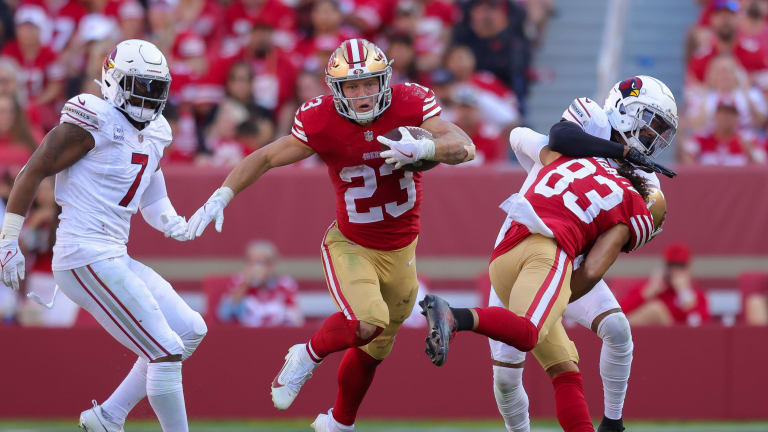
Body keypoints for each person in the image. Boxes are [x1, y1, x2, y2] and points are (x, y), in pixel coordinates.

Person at [184, 38, 475, 432]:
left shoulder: (411, 102)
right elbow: (268, 156)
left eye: (369, 83)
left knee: (376, 347)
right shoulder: (320, 118)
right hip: (352, 244)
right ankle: (306, 354)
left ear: (385, 80)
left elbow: (464, 147)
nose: (361, 94)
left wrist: (425, 147)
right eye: (352, 87)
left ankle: (339, 422)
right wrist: (223, 193)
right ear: (335, 89)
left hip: (403, 249)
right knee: (368, 319)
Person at [422, 76, 677, 432]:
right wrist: (590, 159)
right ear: (626, 111)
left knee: (615, 331)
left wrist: (550, 166)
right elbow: (533, 137)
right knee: (508, 375)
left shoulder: (644, 180)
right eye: (652, 126)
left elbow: (532, 142)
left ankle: (613, 422)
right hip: (538, 244)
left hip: (565, 258)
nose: (653, 139)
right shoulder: (593, 125)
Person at [0, 39, 206, 432]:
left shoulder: (156, 130)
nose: (146, 96)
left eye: (154, 87)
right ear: (113, 80)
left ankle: (108, 415)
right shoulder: (93, 118)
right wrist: (8, 240)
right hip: (83, 254)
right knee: (165, 350)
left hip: (112, 253)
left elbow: (149, 184)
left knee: (189, 330)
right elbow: (33, 169)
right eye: (138, 85)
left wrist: (172, 222)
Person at [217, 240, 303, 327]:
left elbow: (296, 319)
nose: (255, 268)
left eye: (260, 263)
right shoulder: (239, 282)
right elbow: (224, 316)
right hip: (245, 336)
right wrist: (245, 286)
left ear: (272, 265)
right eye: (251, 262)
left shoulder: (285, 285)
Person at [620, 243, 709, 326]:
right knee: (654, 309)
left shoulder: (697, 295)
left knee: (656, 310)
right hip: (645, 339)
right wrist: (648, 292)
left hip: (676, 339)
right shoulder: (652, 288)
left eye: (681, 266)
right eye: (671, 266)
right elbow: (620, 314)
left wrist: (685, 295)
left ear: (688, 268)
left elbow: (699, 327)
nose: (675, 271)